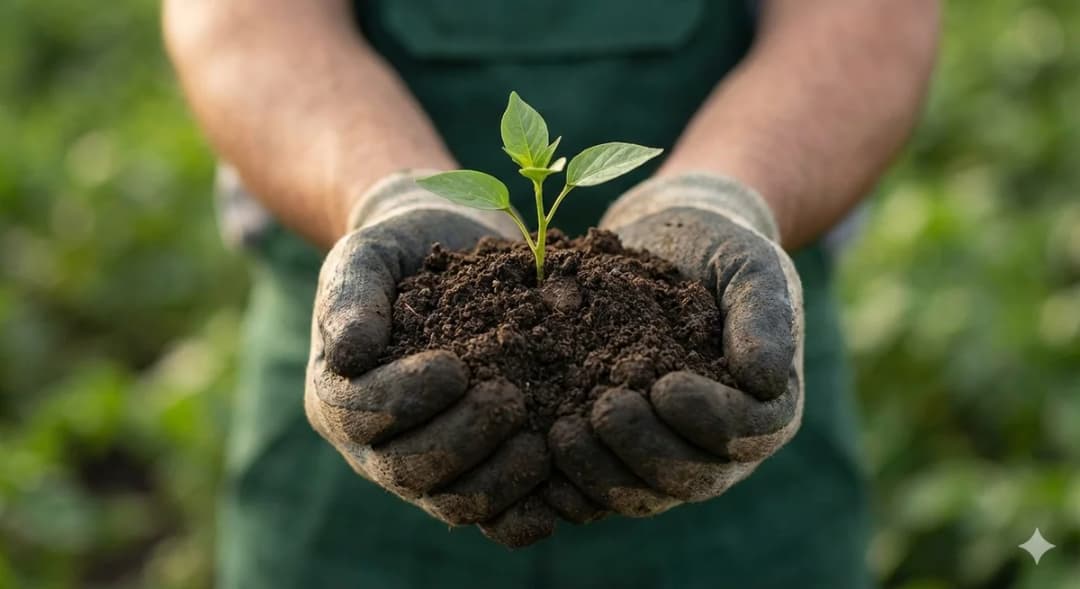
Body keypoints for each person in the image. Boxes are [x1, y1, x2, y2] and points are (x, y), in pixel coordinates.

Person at [164, 1, 939, 587]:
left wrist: (720, 198)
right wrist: (388, 198)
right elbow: (241, 22)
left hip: (733, 434)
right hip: (351, 447)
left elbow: (869, 20)